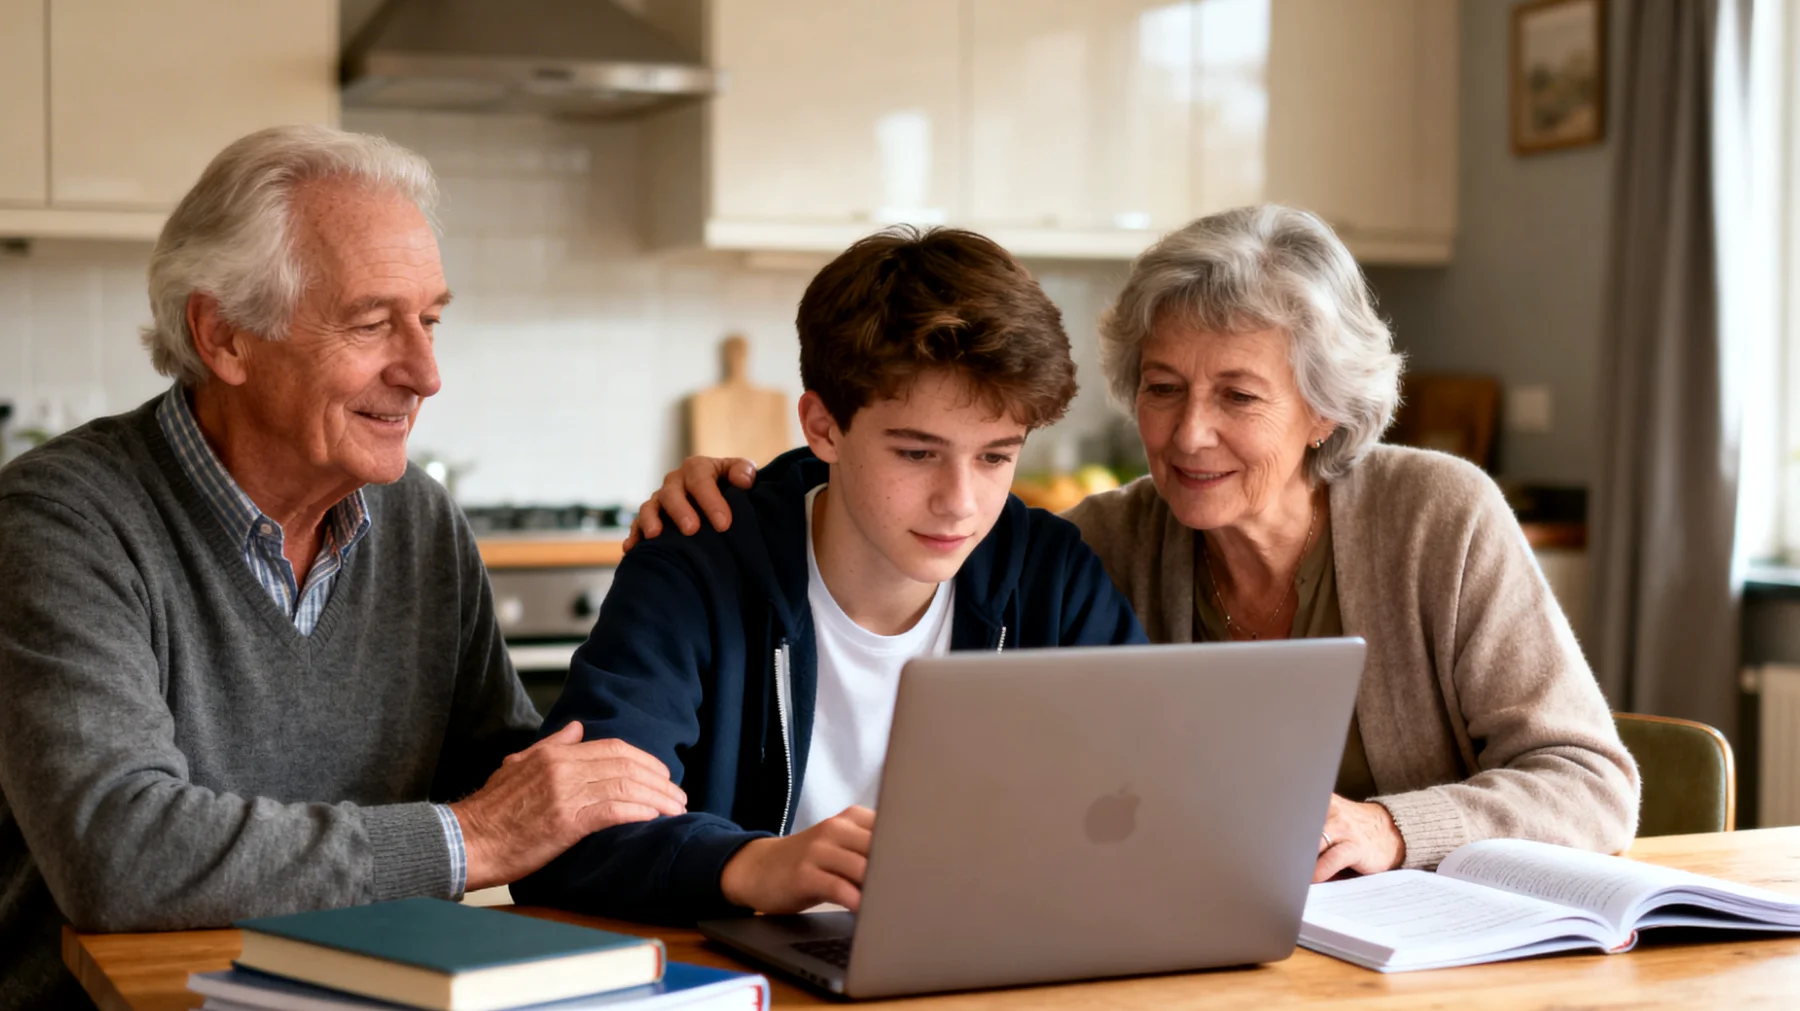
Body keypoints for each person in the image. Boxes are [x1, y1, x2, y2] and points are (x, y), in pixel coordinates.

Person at [630, 204, 1641, 886]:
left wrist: (1387, 829)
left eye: (1237, 395)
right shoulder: (1099, 545)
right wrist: (756, 493)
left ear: (1324, 411)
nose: (1187, 433)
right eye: (1162, 388)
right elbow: (905, 499)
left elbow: (1593, 786)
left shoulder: (1438, 519)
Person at [0, 126, 685, 1011]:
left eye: (431, 320)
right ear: (225, 336)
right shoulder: (61, 520)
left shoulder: (418, 520)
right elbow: (119, 853)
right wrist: (469, 838)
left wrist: (721, 563)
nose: (426, 372)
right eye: (372, 323)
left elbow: (519, 781)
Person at [511, 228, 1146, 923]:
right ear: (823, 426)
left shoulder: (1052, 574)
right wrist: (752, 865)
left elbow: (1150, 802)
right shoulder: (696, 561)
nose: (960, 502)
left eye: (996, 457)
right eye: (916, 452)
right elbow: (566, 840)